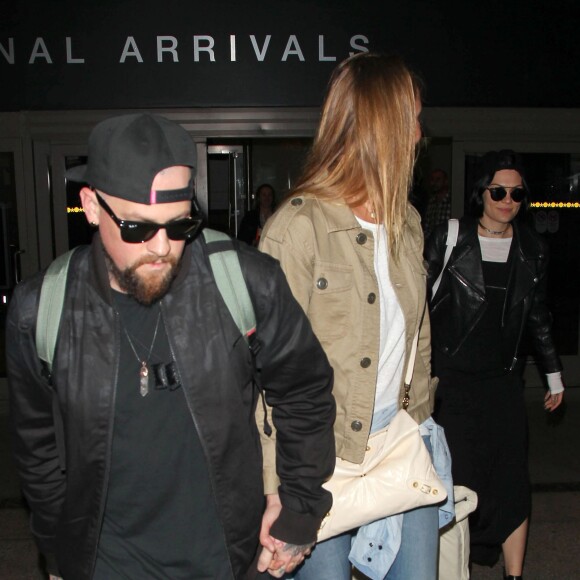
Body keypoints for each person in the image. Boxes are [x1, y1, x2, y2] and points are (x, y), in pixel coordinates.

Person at [6, 113, 336, 580]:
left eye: (179, 225)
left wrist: (298, 510)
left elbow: (304, 391)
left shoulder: (244, 282)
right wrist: (59, 553)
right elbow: (38, 451)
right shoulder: (40, 311)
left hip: (228, 560)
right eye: (138, 228)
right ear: (92, 206)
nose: (162, 247)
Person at [259, 52, 447, 580]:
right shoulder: (298, 229)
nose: (418, 133)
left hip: (397, 441)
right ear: (380, 125)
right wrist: (276, 490)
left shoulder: (406, 221)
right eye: (411, 118)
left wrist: (424, 421)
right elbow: (267, 377)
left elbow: (419, 334)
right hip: (321, 456)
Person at [424, 150, 565, 580]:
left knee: (512, 482)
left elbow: (537, 315)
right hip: (453, 384)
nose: (507, 200)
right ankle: (454, 569)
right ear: (481, 192)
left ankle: (515, 575)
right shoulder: (451, 237)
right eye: (499, 191)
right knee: (458, 481)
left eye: (517, 193)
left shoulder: (532, 249)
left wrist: (554, 373)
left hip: (504, 383)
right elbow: (417, 307)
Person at [422, 168, 451, 238]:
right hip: (432, 243)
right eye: (432, 179)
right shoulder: (431, 202)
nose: (434, 183)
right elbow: (427, 226)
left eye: (438, 179)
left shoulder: (451, 201)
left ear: (445, 181)